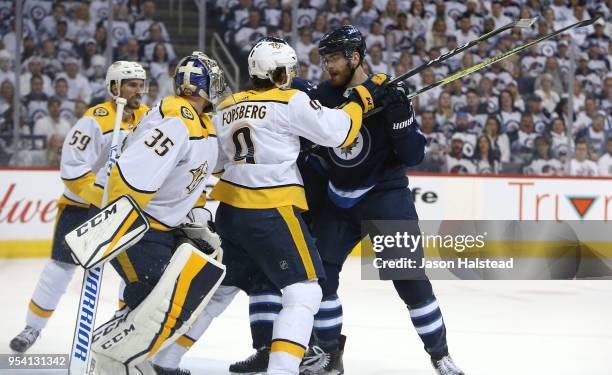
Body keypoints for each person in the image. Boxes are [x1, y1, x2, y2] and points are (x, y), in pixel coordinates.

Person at [237, 26, 465, 375]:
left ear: (355, 56)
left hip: (384, 196)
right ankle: (328, 354)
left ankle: (440, 356)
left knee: (410, 279)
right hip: (338, 201)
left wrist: (399, 115)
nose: (327, 65)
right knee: (320, 281)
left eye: (334, 58)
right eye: (324, 58)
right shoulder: (323, 96)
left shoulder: (388, 93)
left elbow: (414, 154)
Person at [151, 37, 386, 375]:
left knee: (219, 292)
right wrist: (360, 100)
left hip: (230, 213)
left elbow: (222, 159)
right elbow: (341, 134)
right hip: (270, 210)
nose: (292, 75)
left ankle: (166, 359)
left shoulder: (229, 105)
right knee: (305, 293)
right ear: (279, 73)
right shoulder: (291, 101)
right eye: (289, 70)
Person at [96, 52, 229, 375]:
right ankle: (111, 360)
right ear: (200, 86)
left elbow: (191, 179)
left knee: (160, 300)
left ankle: (131, 359)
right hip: (135, 224)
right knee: (152, 297)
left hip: (162, 228)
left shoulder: (202, 123)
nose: (219, 87)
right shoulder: (175, 119)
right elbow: (131, 175)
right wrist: (120, 223)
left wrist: (196, 216)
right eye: (213, 81)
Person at [9, 61, 149, 353]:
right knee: (59, 268)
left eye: (141, 84)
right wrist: (96, 195)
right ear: (115, 87)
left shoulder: (148, 119)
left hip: (124, 209)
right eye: (131, 84)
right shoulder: (94, 119)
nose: (139, 90)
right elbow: (72, 166)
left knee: (133, 270)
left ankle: (121, 324)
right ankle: (32, 328)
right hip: (81, 207)